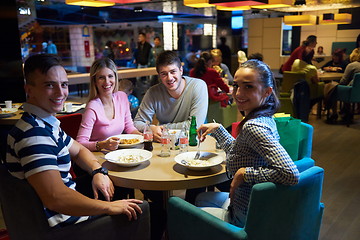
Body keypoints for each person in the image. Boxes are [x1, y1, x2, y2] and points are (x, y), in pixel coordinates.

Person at [5, 54, 142, 230]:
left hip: (65, 211)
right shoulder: (34, 134)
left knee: (117, 192)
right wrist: (109, 207)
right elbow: (56, 198)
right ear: (29, 90)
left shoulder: (44, 123)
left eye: (64, 85)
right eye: (49, 85)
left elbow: (78, 150)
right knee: (142, 210)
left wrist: (98, 171)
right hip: (65, 227)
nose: (60, 92)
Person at [195, 59, 300, 228]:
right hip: (256, 205)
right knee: (200, 198)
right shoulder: (264, 117)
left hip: (245, 215)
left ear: (267, 91)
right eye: (236, 85)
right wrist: (219, 129)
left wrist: (245, 174)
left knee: (183, 210)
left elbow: (290, 174)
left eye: (248, 86)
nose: (238, 93)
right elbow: (240, 153)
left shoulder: (254, 126)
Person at [133, 50, 208, 143]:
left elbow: (194, 126)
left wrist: (161, 128)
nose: (169, 78)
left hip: (196, 142)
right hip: (166, 144)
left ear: (181, 70)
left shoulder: (198, 86)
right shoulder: (153, 92)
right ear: (159, 75)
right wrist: (152, 128)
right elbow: (137, 123)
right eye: (164, 74)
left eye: (173, 72)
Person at [77, 58, 141, 152]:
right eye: (101, 78)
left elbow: (129, 127)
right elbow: (80, 143)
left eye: (110, 76)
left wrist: (141, 136)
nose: (107, 82)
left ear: (115, 78)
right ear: (94, 81)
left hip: (118, 153)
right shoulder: (92, 107)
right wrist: (103, 144)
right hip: (98, 156)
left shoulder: (122, 97)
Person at [325, 48, 360, 123]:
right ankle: (347, 112)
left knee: (333, 87)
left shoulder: (351, 65)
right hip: (357, 93)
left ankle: (333, 113)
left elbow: (343, 81)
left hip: (350, 91)